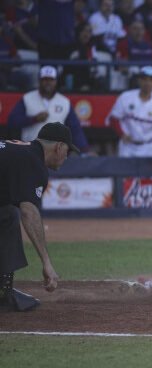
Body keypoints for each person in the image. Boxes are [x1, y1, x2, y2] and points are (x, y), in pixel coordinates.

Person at [0, 123, 80, 311]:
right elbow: (29, 212)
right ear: (59, 146)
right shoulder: (34, 162)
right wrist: (46, 263)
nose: (67, 156)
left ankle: (4, 292)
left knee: (7, 214)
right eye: (67, 150)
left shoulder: (23, 153)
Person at [7, 66, 88, 151]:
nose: (48, 83)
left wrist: (85, 149)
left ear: (56, 81)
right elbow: (12, 121)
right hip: (30, 148)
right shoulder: (27, 98)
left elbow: (75, 129)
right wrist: (34, 119)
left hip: (55, 152)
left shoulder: (64, 102)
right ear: (39, 81)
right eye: (45, 79)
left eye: (51, 80)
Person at [108, 65, 152, 157]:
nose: (147, 83)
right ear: (139, 80)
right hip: (127, 146)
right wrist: (122, 134)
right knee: (124, 171)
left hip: (148, 146)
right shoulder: (125, 97)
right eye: (144, 79)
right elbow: (114, 119)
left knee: (148, 172)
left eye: (151, 80)